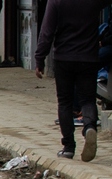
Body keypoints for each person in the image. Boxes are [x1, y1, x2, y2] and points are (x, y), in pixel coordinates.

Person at [34, 0, 110, 160]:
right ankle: (89, 127)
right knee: (87, 100)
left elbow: (47, 32)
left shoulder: (56, 2)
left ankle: (68, 147)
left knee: (65, 102)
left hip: (63, 58)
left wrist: (40, 58)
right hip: (88, 57)